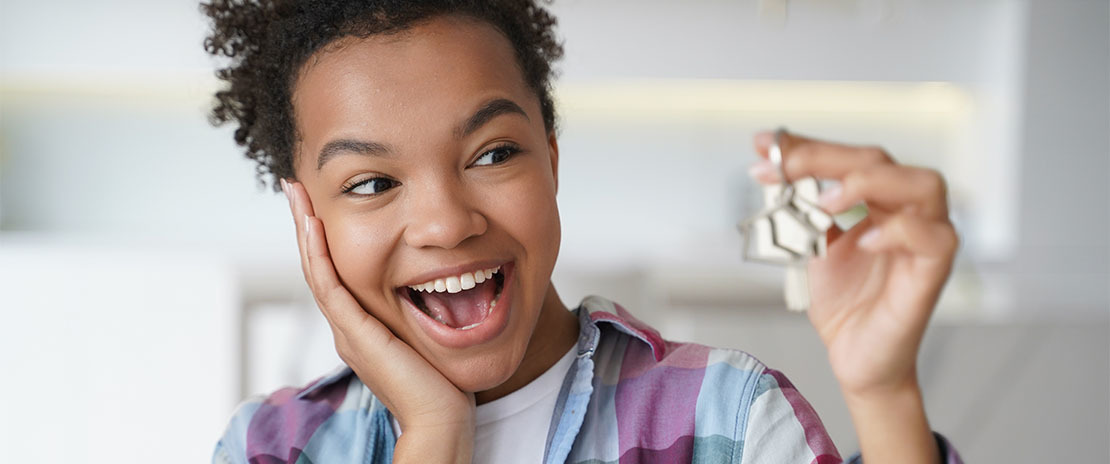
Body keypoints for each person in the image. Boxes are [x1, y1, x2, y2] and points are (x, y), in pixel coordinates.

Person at [203, 1, 963, 463]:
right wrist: (434, 438)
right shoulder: (272, 449)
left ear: (552, 160)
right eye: (372, 184)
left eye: (493, 153)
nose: (445, 223)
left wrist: (885, 391)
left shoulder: (725, 420)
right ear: (308, 217)